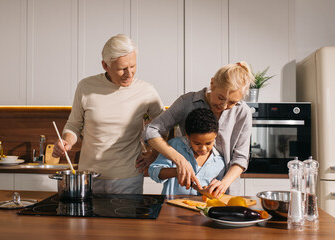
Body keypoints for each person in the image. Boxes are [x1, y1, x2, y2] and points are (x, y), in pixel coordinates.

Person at [52, 34, 164, 194]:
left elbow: (165, 125)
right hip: (88, 178)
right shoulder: (86, 87)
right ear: (105, 65)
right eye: (122, 69)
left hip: (128, 179)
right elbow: (73, 125)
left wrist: (154, 156)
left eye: (133, 66)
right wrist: (67, 142)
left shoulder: (146, 91)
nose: (129, 74)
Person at [143, 62, 254, 197]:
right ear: (212, 84)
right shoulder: (187, 102)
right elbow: (151, 130)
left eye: (232, 102)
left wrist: (223, 184)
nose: (224, 106)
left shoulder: (243, 112)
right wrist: (179, 160)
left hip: (225, 192)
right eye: (221, 98)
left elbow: (241, 158)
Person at [148, 108, 225, 195]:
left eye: (208, 143)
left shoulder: (219, 162)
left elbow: (218, 191)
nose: (203, 148)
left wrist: (211, 190)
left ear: (215, 135)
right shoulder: (175, 145)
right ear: (187, 136)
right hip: (171, 206)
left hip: (201, 207)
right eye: (197, 143)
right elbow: (153, 172)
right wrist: (177, 172)